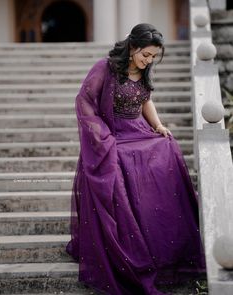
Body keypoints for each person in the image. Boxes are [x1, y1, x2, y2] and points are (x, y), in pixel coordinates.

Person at [66, 23, 206, 295]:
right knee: (122, 159)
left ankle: (163, 245)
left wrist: (159, 126)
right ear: (132, 47)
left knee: (167, 147)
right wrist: (102, 137)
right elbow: (84, 101)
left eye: (153, 57)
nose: (149, 61)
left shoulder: (143, 72)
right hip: (112, 135)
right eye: (146, 55)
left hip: (138, 130)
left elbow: (145, 101)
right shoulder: (105, 68)